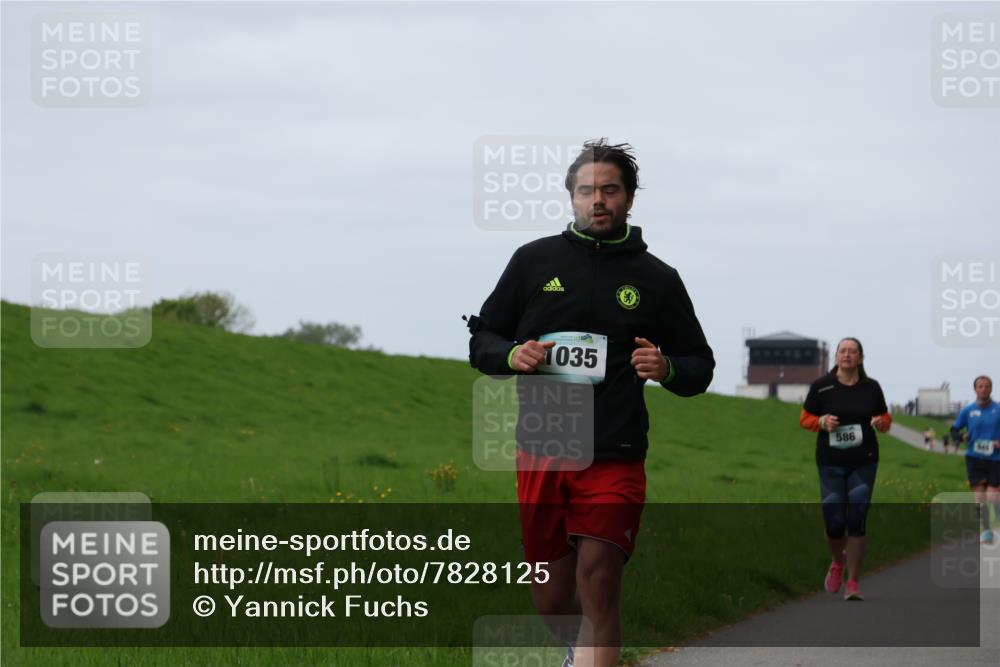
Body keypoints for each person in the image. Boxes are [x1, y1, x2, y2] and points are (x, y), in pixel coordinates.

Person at [468, 139, 714, 666]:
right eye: (586, 191)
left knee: (599, 579)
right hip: (543, 449)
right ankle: (577, 650)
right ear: (571, 197)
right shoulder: (533, 262)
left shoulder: (658, 280)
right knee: (553, 600)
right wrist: (512, 355)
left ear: (628, 198)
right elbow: (482, 342)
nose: (597, 200)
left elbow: (700, 365)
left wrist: (666, 367)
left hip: (614, 451)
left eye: (609, 190)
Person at [799, 337, 892, 602]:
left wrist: (881, 423)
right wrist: (821, 421)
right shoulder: (822, 387)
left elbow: (885, 418)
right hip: (830, 461)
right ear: (836, 356)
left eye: (852, 351)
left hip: (864, 460)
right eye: (843, 351)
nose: (847, 355)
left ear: (861, 358)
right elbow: (804, 419)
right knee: (834, 521)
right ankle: (837, 561)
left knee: (857, 519)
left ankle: (853, 582)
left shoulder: (871, 388)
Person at [950, 376, 1000, 544]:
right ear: (975, 389)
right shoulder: (968, 410)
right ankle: (986, 530)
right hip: (974, 458)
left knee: (994, 497)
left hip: (995, 459)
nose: (983, 389)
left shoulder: (998, 409)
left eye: (987, 386)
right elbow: (955, 429)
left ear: (991, 389)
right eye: (980, 386)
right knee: (979, 497)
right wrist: (960, 437)